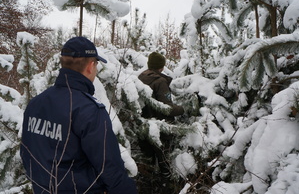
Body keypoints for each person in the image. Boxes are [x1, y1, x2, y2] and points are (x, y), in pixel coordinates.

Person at [20, 36, 138, 194]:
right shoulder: (89, 110)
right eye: (96, 64)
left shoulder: (36, 103)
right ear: (90, 66)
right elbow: (109, 169)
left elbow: (26, 153)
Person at [138, 52, 184, 179]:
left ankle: (150, 183)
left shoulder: (140, 78)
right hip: (161, 127)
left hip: (144, 126)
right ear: (161, 67)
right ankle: (166, 183)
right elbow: (166, 109)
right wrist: (183, 109)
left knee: (149, 161)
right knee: (165, 160)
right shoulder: (160, 82)